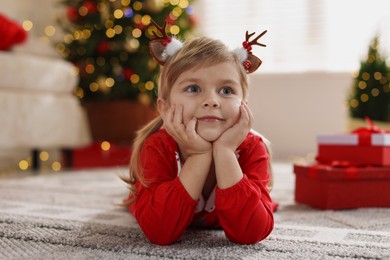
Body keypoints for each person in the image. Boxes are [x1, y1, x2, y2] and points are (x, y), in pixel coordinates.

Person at [122, 20, 275, 246]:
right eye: (193, 89)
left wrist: (225, 152)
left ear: (243, 104)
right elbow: (160, 232)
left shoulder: (252, 147)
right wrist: (199, 156)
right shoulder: (157, 147)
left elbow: (251, 233)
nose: (212, 101)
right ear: (164, 108)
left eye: (226, 90)